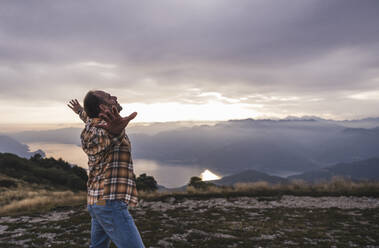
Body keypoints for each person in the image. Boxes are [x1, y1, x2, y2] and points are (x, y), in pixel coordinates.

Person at [68, 90, 145, 248]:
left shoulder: (92, 120)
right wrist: (114, 132)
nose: (115, 97)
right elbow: (99, 138)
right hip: (109, 203)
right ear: (103, 107)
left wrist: (79, 110)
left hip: (98, 201)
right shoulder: (96, 131)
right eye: (110, 97)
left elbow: (87, 116)